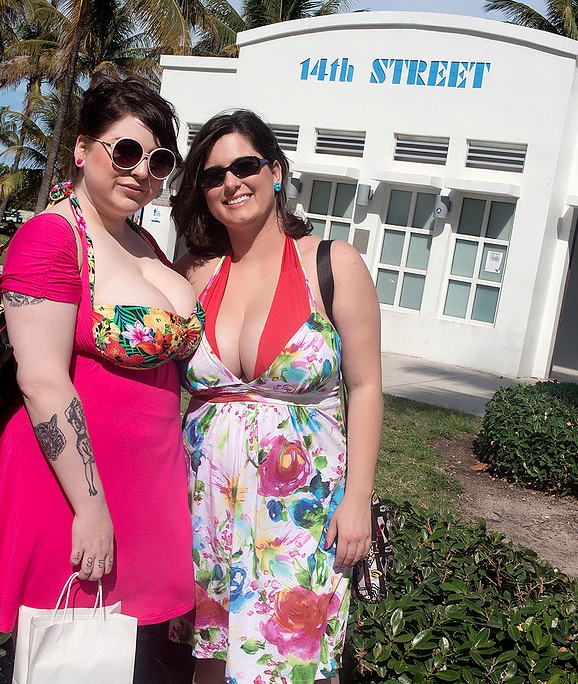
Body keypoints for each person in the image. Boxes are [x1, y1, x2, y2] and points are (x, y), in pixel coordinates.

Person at [0, 76, 203, 683]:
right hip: (79, 488)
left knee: (118, 663)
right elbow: (42, 379)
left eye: (159, 161)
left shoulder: (144, 242)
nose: (141, 172)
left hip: (146, 486)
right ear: (83, 149)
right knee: (59, 662)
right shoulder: (51, 237)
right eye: (125, 151)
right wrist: (91, 507)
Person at [172, 110, 384, 683]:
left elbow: (365, 388)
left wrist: (358, 498)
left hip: (302, 509)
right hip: (202, 505)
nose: (231, 184)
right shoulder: (191, 272)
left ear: (276, 171)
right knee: (207, 663)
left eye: (245, 166)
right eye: (213, 177)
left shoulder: (332, 265)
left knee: (292, 658)